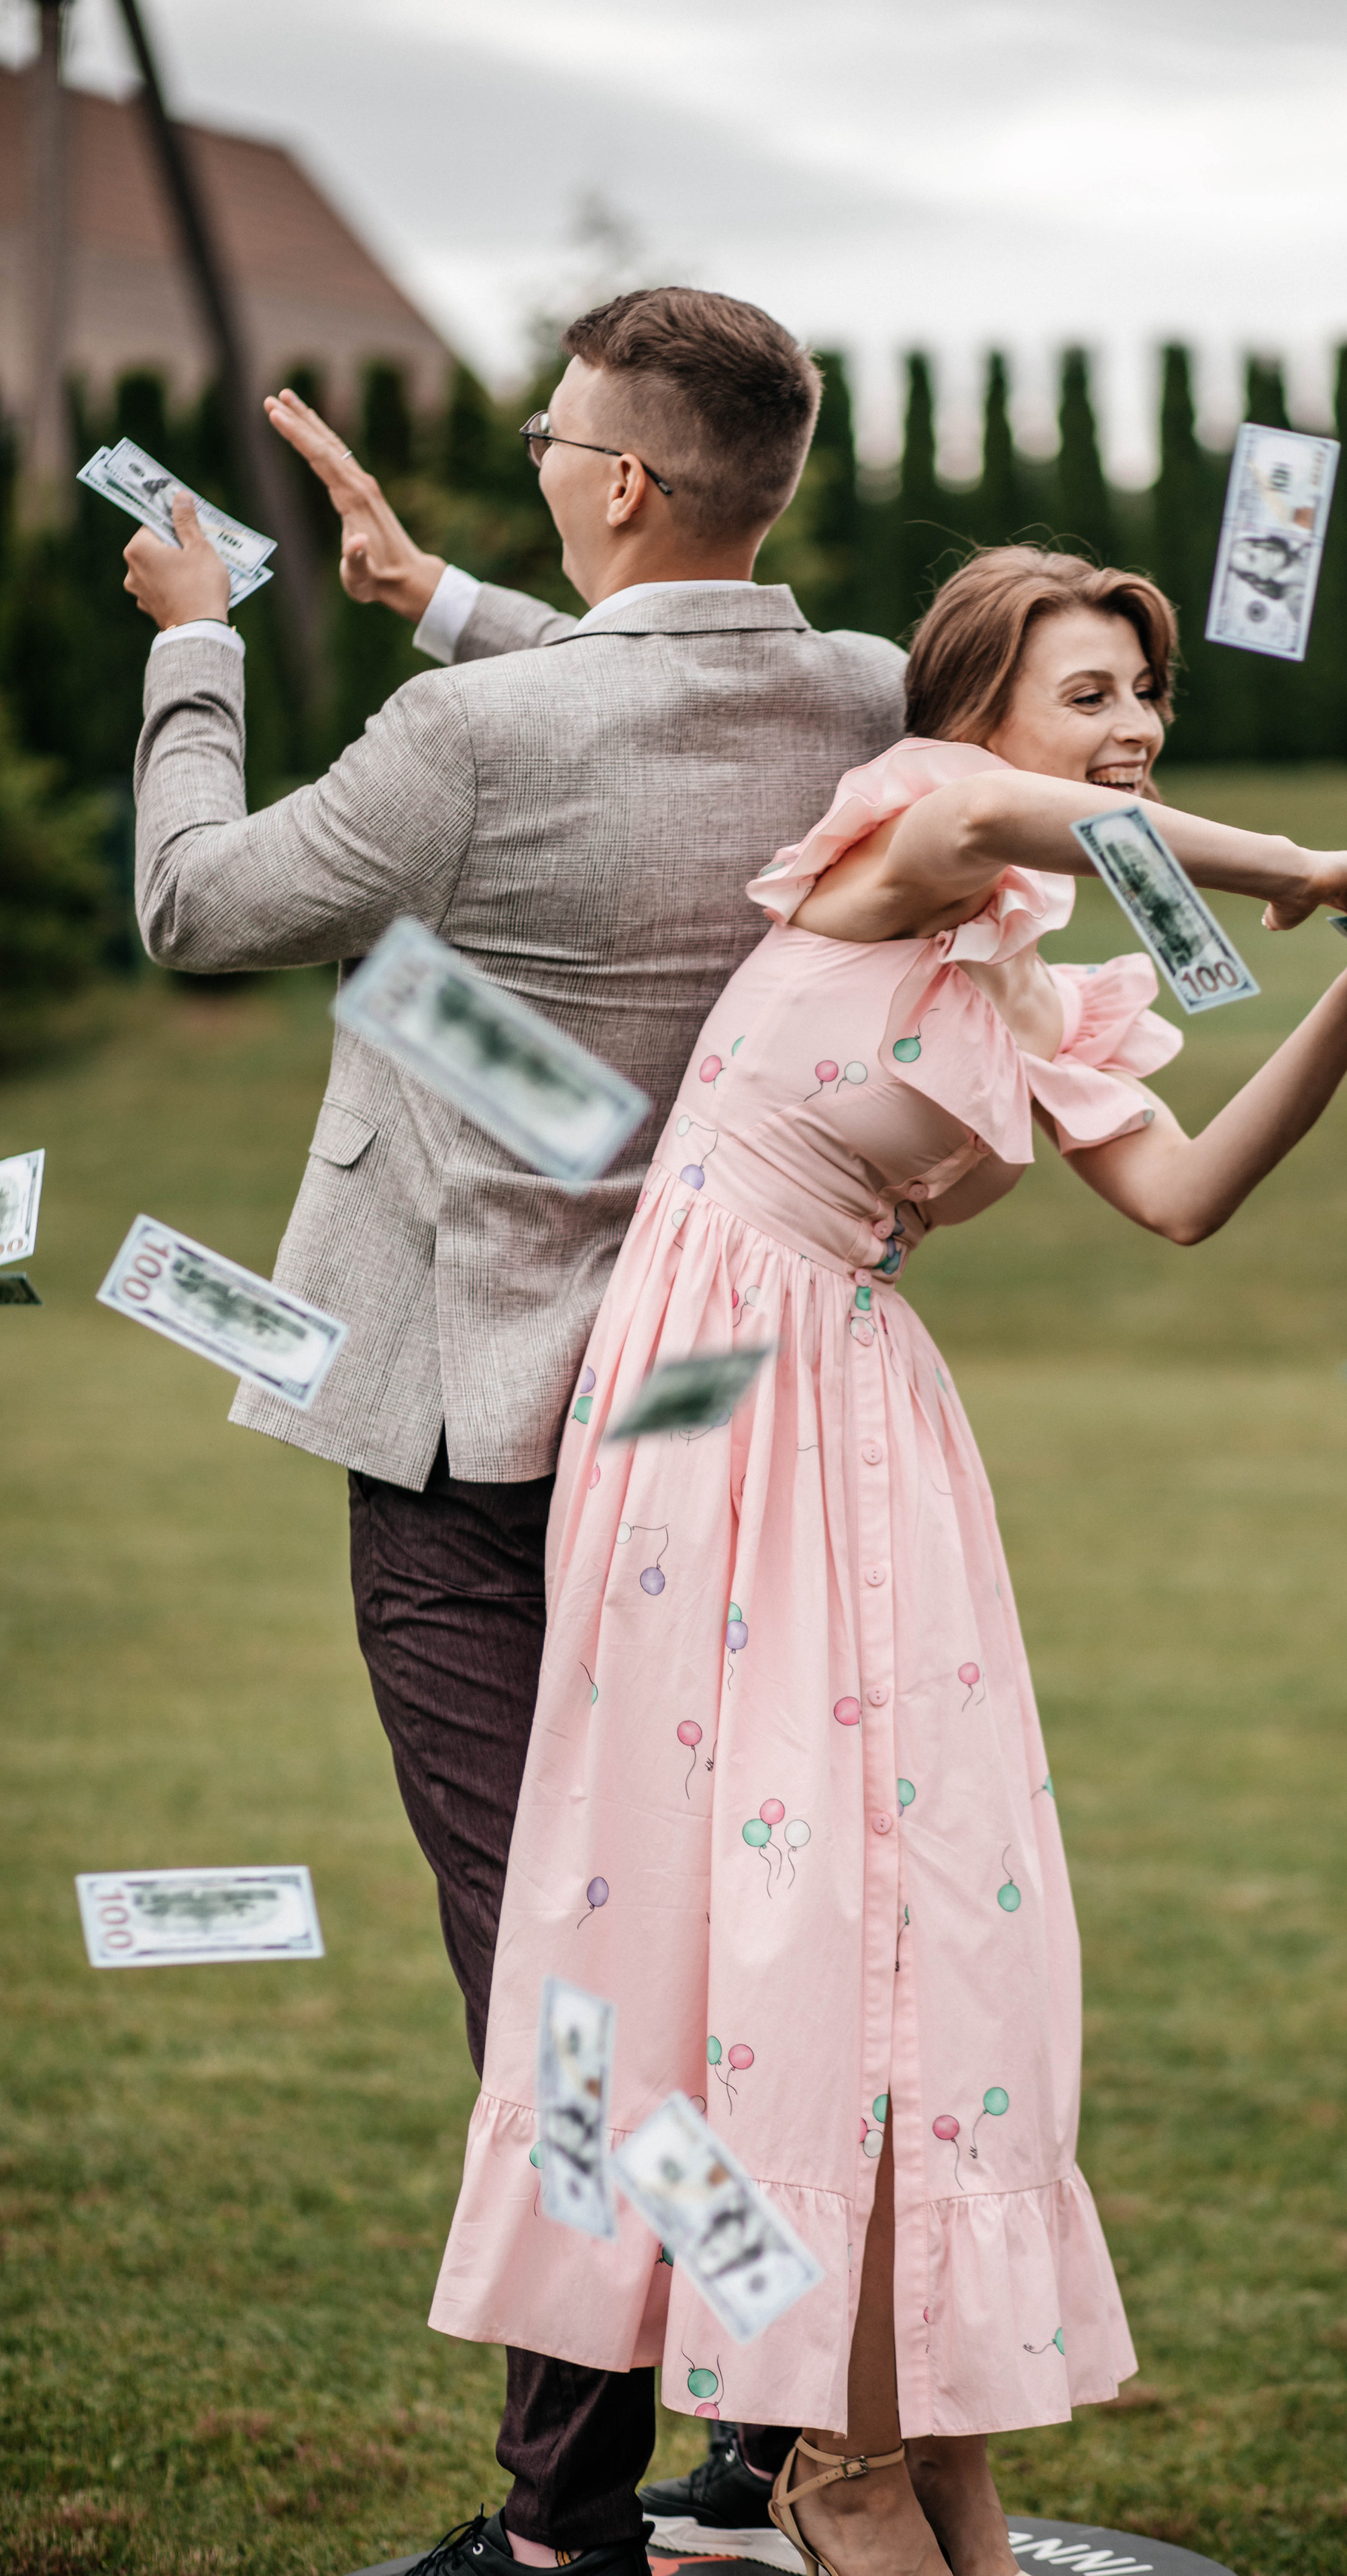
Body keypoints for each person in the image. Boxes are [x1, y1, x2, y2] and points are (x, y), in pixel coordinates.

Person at [427, 546, 1347, 2576]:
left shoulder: (1028, 964)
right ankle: (833, 2444)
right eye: (1093, 689)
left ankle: (921, 2438)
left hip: (863, 1411)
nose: (1131, 726)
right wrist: (1283, 862)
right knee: (779, 1916)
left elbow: (1185, 1195)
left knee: (928, 1925)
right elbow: (1009, 817)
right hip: (716, 1409)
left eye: (1149, 696)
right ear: (976, 706)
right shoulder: (901, 829)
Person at [119, 286, 908, 2576]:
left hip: (485, 1445)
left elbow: (196, 902)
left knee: (545, 1971)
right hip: (735, 1427)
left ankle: (563, 2523)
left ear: (623, 483)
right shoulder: (860, 698)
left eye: (560, 438)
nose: (543, 461)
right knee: (732, 1943)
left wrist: (199, 641)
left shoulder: (465, 743)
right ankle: (764, 2443)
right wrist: (430, 593)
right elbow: (664, 680)